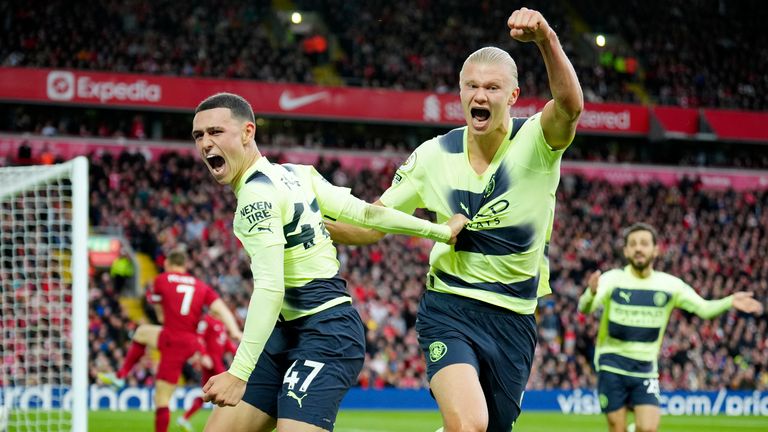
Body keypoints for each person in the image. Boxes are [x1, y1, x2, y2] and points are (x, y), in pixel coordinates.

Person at [324, 7, 583, 431]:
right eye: (472, 87)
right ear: (460, 93)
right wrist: (317, 225)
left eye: (493, 88)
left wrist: (546, 39)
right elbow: (374, 223)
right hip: (450, 307)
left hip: (514, 317)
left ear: (513, 96)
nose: (480, 96)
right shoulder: (432, 155)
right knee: (469, 425)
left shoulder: (536, 140)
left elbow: (570, 108)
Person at [191, 92, 468, 432]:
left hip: (325, 332)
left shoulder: (254, 197)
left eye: (216, 132)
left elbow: (270, 287)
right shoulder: (297, 174)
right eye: (199, 135)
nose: (205, 143)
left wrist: (238, 373)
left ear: (248, 133)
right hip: (286, 331)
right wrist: (438, 230)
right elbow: (368, 213)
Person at [578, 223, 764, 432]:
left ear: (656, 250)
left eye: (644, 244)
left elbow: (703, 308)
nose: (639, 248)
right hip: (611, 364)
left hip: (645, 368)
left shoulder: (670, 285)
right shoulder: (612, 279)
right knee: (617, 428)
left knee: (648, 428)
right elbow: (585, 308)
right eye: (634, 244)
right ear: (626, 251)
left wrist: (729, 301)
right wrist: (591, 293)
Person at [98, 248, 242, 432]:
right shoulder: (200, 285)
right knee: (142, 332)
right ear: (185, 265)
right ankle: (121, 376)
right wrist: (235, 331)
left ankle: (122, 376)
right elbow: (221, 308)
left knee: (162, 398)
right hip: (190, 340)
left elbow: (160, 316)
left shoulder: (161, 280)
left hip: (173, 339)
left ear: (168, 264)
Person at [177, 314, 239, 432]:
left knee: (206, 394)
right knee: (227, 388)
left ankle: (184, 418)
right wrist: (204, 355)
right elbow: (199, 338)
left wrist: (237, 353)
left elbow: (226, 343)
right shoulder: (207, 321)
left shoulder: (221, 325)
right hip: (212, 361)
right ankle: (228, 422)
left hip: (217, 362)